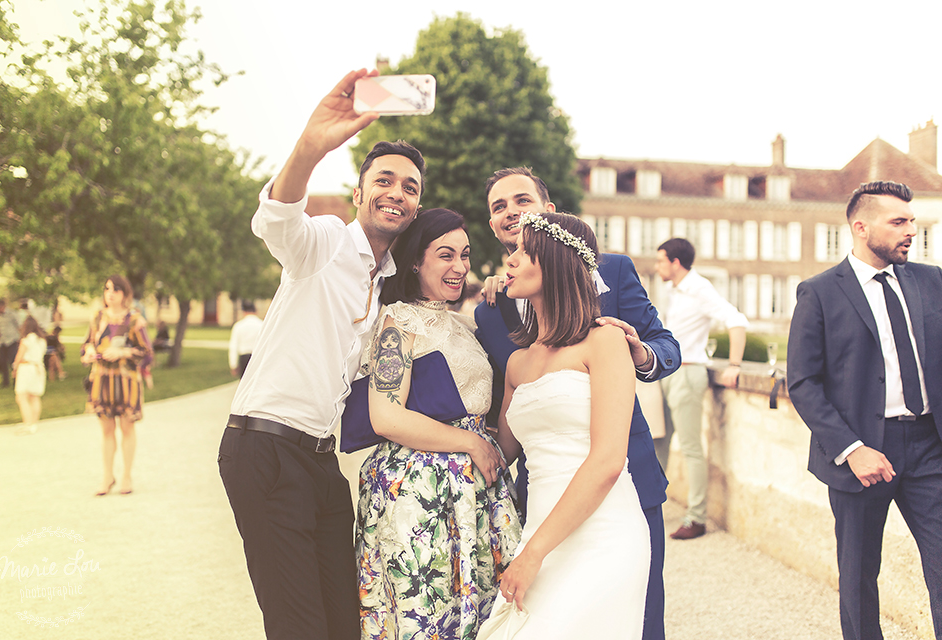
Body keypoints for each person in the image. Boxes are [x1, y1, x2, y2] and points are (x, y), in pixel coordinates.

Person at [217, 68, 424, 640]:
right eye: (385, 180)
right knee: (299, 626)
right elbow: (277, 221)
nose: (397, 193)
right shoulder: (326, 242)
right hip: (264, 448)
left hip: (321, 462)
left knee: (346, 623)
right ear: (359, 193)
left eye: (410, 188)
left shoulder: (388, 287)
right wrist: (312, 145)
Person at [474, 166, 678, 640]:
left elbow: (666, 346)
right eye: (498, 207)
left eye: (520, 201)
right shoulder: (492, 310)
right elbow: (502, 437)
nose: (510, 213)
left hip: (617, 497)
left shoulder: (612, 283)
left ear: (548, 211)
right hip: (541, 505)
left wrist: (638, 354)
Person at [787, 181, 942, 640]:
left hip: (929, 447)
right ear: (860, 227)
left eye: (912, 221)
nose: (911, 230)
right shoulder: (818, 293)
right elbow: (803, 383)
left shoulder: (932, 280)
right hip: (861, 453)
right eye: (899, 222)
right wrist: (852, 449)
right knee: (858, 578)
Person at [356, 208, 521, 640]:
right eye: (445, 255)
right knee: (427, 618)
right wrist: (471, 442)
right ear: (415, 261)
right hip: (419, 491)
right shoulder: (398, 323)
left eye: (464, 255)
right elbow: (385, 414)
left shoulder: (465, 324)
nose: (459, 266)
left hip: (477, 491)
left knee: (487, 615)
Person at [653, 237, 747, 540]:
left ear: (675, 262)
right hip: (665, 374)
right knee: (658, 443)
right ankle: (650, 507)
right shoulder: (673, 290)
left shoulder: (699, 288)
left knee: (691, 448)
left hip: (688, 373)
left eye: (660, 261)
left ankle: (697, 518)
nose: (657, 267)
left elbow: (736, 320)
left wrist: (734, 364)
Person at [81, 275, 153, 497]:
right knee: (106, 430)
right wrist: (90, 353)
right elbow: (86, 346)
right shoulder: (97, 318)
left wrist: (122, 352)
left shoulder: (134, 320)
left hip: (126, 380)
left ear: (125, 294)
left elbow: (147, 353)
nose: (109, 293)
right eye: (107, 289)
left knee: (127, 427)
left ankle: (127, 476)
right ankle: (107, 476)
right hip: (102, 378)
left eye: (115, 289)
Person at [12, 316, 48, 435]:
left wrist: (15, 367)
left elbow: (20, 355)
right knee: (34, 396)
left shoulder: (26, 340)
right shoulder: (41, 340)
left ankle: (27, 423)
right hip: (38, 367)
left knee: (22, 396)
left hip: (27, 368)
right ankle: (33, 423)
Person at [228, 300, 262, 378]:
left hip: (244, 357)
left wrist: (233, 364)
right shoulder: (261, 324)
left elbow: (234, 345)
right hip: (257, 357)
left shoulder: (239, 325)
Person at [0, 299, 21, 388]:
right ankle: (5, 381)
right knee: (2, 362)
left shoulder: (11, 314)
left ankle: (16, 381)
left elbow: (19, 325)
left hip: (12, 340)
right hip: (2, 341)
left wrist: (21, 338)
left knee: (13, 362)